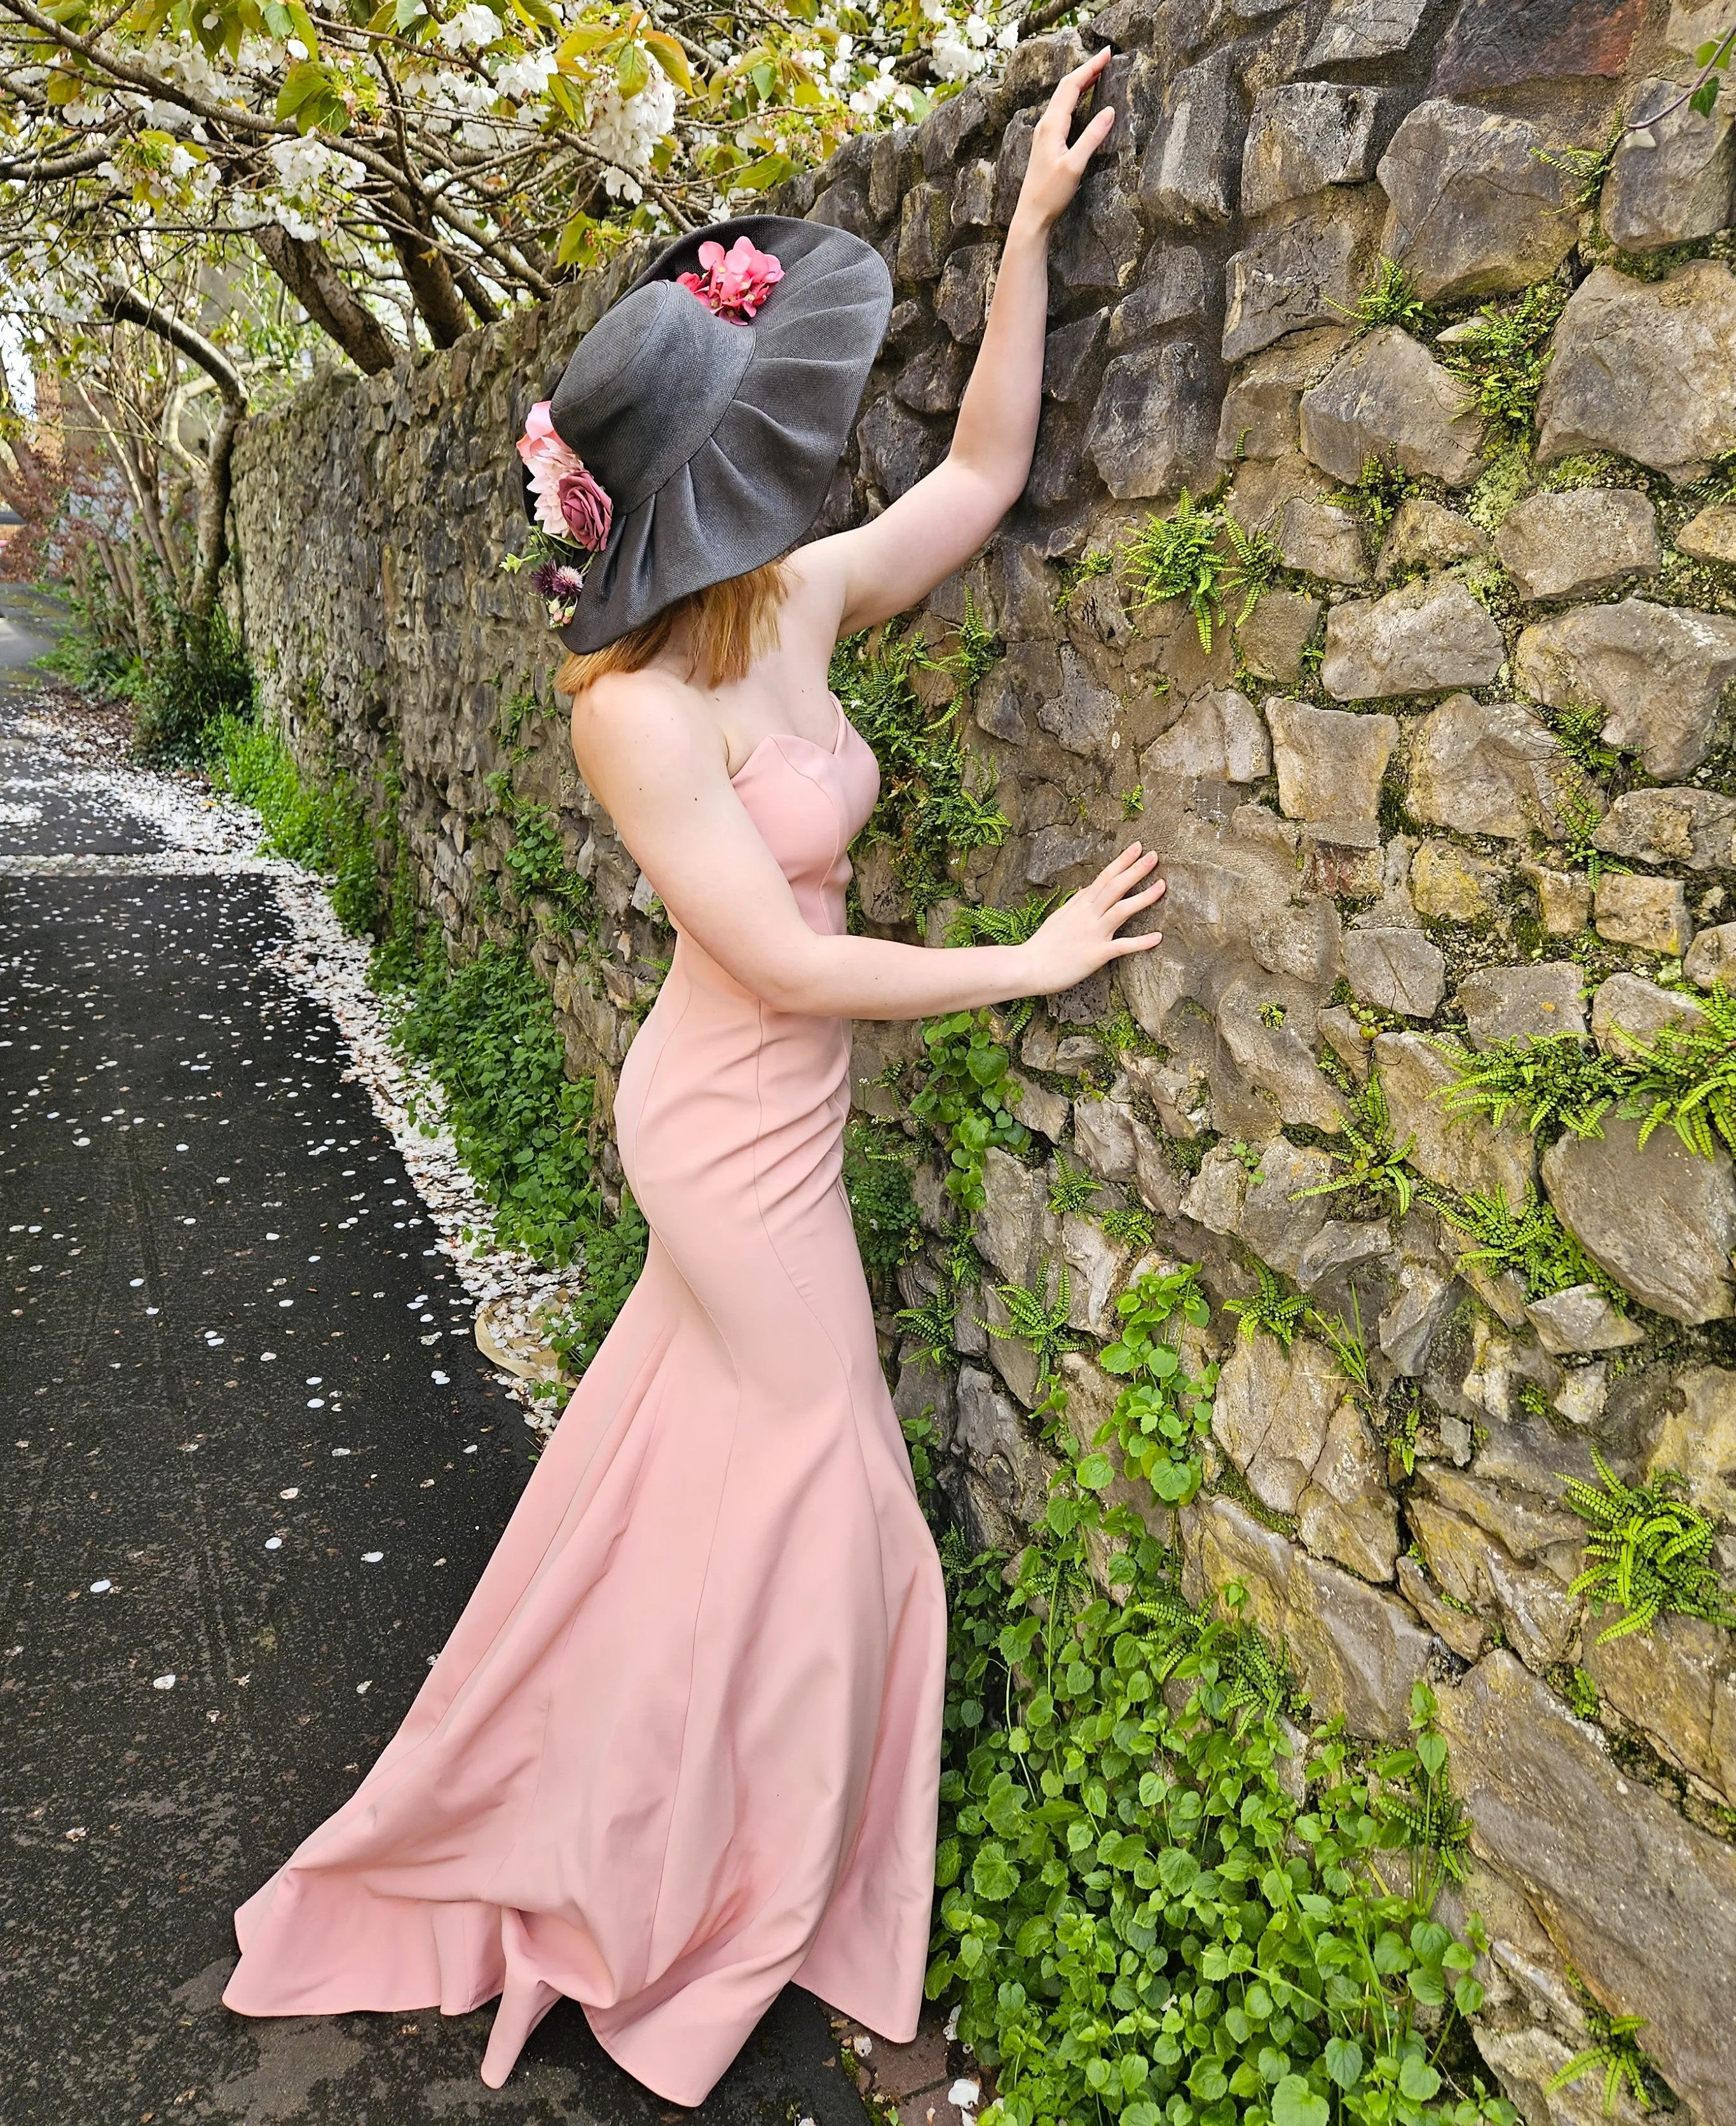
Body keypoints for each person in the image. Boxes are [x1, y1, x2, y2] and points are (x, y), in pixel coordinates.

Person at [221, 48, 1165, 2105]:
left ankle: (627, 1790)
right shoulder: (637, 711)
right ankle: (742, 1889)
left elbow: (982, 483)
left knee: (674, 1491)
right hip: (724, 1141)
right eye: (776, 446)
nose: (813, 466)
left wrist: (1018, 241)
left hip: (776, 1122)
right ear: (705, 484)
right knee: (847, 1507)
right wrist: (1039, 958)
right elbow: (779, 956)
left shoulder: (792, 606)